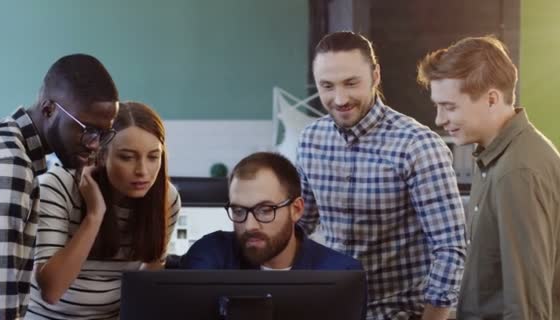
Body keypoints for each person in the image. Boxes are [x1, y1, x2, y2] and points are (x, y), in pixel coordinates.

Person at [296, 31, 467, 320]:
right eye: (327, 86)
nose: (339, 99)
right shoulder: (311, 140)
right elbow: (301, 226)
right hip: (333, 308)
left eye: (351, 83)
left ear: (375, 76)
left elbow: (450, 248)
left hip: (399, 312)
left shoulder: (418, 146)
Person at [0, 54, 119, 319]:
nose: (94, 144)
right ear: (49, 109)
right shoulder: (9, 164)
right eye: (87, 129)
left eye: (103, 133)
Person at [417, 36, 560, 320]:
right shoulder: (495, 156)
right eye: (437, 106)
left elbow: (527, 309)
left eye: (450, 106)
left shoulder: (517, 172)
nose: (439, 119)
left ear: (491, 99)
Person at [27, 102, 181, 319]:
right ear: (99, 155)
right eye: (127, 157)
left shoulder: (167, 198)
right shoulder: (57, 186)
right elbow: (51, 291)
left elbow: (148, 281)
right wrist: (94, 215)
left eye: (153, 157)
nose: (143, 171)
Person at [181, 152, 362, 271]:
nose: (250, 226)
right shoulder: (211, 255)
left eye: (265, 210)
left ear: (296, 210)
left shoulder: (338, 273)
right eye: (238, 211)